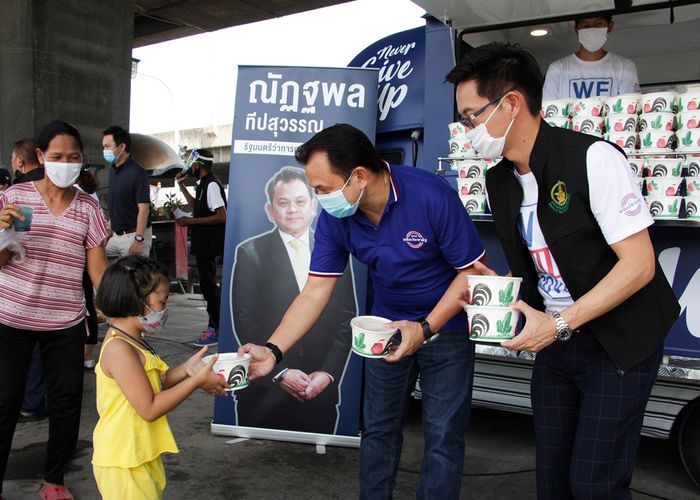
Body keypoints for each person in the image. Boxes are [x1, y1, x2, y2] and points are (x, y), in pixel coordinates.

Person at [446, 42, 680, 499]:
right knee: (552, 480)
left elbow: (639, 266)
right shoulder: (499, 180)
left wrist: (558, 324)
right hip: (557, 350)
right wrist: (496, 289)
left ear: (511, 103)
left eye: (471, 116)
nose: (466, 129)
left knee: (595, 483)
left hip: (616, 346)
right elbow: (540, 263)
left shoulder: (593, 158)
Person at [240, 124, 485, 499]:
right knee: (379, 429)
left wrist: (425, 327)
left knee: (443, 435)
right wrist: (272, 350)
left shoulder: (430, 195)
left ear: (358, 175)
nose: (318, 199)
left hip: (446, 326)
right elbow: (315, 291)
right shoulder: (338, 218)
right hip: (383, 331)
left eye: (322, 189)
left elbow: (471, 272)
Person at [0, 120, 110, 500]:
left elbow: (98, 271)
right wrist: (2, 233)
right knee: (5, 402)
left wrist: (122, 311)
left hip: (64, 321)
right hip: (11, 317)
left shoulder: (89, 209)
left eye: (74, 157)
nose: (66, 163)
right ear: (41, 157)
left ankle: (54, 480)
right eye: (58, 156)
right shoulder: (14, 198)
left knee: (65, 404)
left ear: (82, 161)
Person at [92, 255, 227, 500]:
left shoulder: (133, 339)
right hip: (124, 460)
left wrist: (188, 369)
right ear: (134, 300)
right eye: (161, 302)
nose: (164, 310)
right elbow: (149, 407)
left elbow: (154, 384)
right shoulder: (120, 349)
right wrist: (195, 382)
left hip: (138, 452)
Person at [233, 166, 356, 434]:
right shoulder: (250, 253)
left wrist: (328, 373)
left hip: (320, 391)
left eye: (300, 201)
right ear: (270, 210)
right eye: (283, 203)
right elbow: (245, 320)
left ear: (313, 206)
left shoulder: (336, 251)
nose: (293, 210)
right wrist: (281, 372)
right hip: (264, 395)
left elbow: (347, 319)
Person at [174, 149, 227, 346]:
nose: (192, 169)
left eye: (193, 166)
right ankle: (214, 326)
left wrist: (192, 222)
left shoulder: (212, 184)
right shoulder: (204, 184)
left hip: (209, 244)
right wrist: (182, 187)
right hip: (204, 244)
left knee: (210, 287)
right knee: (207, 286)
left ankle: (216, 328)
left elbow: (222, 215)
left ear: (198, 166)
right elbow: (197, 206)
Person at [542, 16, 640, 101]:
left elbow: (630, 110)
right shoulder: (557, 69)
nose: (591, 29)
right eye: (584, 25)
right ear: (576, 30)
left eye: (598, 23)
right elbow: (548, 115)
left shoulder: (624, 67)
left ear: (610, 26)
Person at [103, 125, 152, 258]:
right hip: (116, 236)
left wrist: (138, 239)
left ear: (122, 147)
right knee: (98, 261)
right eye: (104, 147)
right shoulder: (113, 170)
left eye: (108, 146)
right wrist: (108, 231)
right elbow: (116, 205)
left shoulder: (138, 172)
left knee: (133, 277)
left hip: (134, 235)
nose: (104, 150)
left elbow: (144, 209)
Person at [74, 166, 102, 369]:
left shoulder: (77, 194)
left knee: (86, 305)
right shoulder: (91, 194)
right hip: (88, 255)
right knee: (89, 304)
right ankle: (88, 355)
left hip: (80, 258)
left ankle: (84, 354)